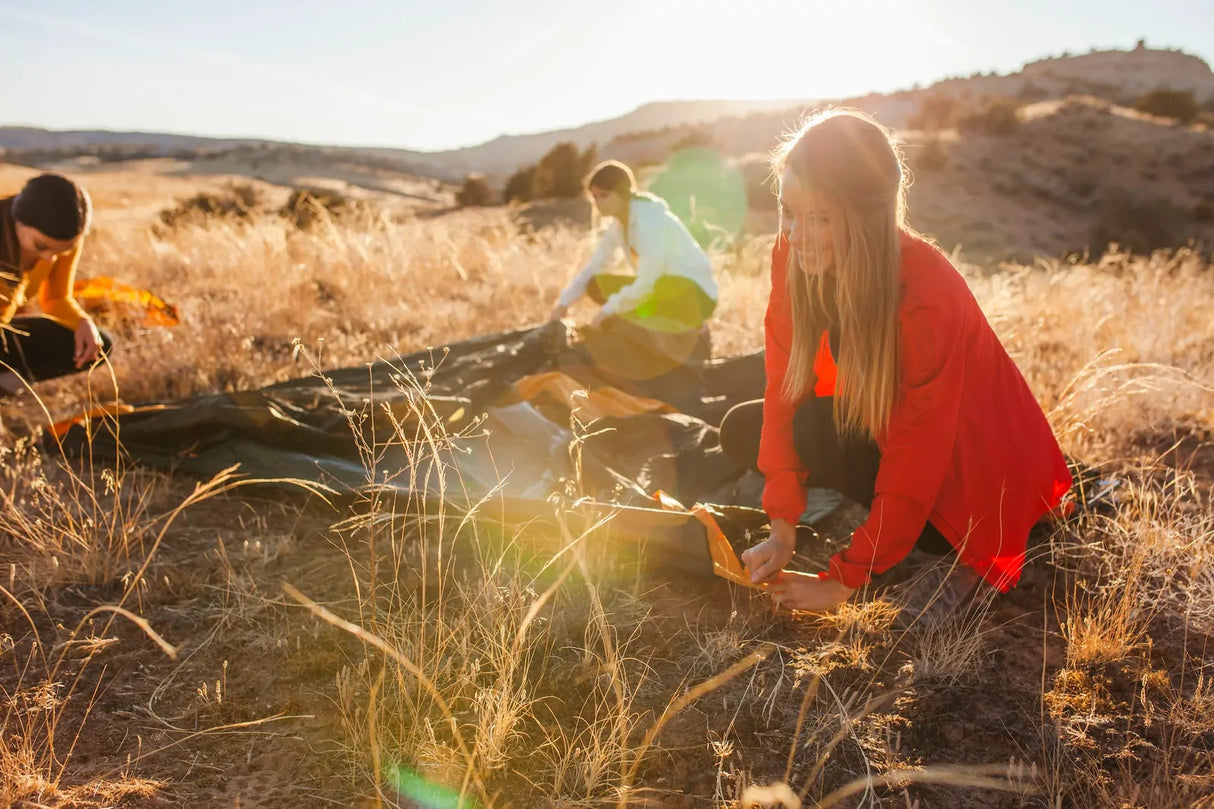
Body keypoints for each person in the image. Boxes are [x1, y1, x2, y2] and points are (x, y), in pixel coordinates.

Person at [718, 110, 1071, 612]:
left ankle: (964, 555)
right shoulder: (793, 253)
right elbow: (784, 386)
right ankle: (890, 532)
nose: (795, 235)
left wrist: (841, 581)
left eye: (818, 217)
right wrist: (781, 529)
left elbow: (918, 451)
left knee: (935, 531)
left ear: (863, 218)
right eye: (788, 211)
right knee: (743, 426)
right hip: (889, 425)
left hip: (968, 465)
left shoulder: (927, 292)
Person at [550, 161, 718, 404]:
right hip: (661, 289)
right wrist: (563, 304)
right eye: (594, 197)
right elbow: (596, 265)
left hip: (693, 294)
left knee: (653, 290)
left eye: (603, 196)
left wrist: (608, 311)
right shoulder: (619, 223)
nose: (598, 203)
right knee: (596, 284)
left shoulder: (649, 220)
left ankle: (691, 325)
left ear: (622, 193)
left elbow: (648, 282)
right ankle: (646, 323)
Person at [0, 173, 112, 397]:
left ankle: (4, 391)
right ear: (17, 220)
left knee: (96, 345)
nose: (50, 259)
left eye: (62, 251)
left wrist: (82, 321)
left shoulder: (63, 240)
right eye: (40, 245)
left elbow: (56, 297)